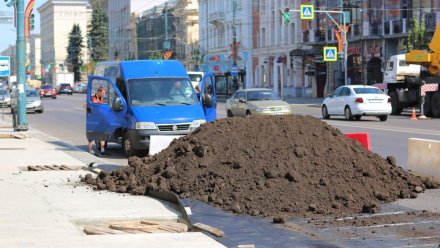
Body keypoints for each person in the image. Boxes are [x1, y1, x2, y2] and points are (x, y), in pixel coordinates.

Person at [84, 87, 109, 156]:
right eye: (103, 93)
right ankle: (90, 150)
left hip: (99, 119)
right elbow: (84, 106)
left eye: (104, 93)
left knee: (102, 135)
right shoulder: (92, 98)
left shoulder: (101, 98)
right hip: (93, 119)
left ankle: (102, 150)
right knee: (91, 136)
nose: (104, 95)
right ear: (99, 92)